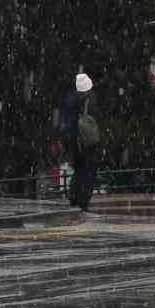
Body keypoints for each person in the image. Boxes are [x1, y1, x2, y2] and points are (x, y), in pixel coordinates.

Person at [60, 72, 98, 211]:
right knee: (87, 171)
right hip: (85, 141)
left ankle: (74, 198)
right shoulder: (88, 99)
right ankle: (82, 201)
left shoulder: (70, 100)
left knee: (79, 170)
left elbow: (67, 123)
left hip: (73, 142)